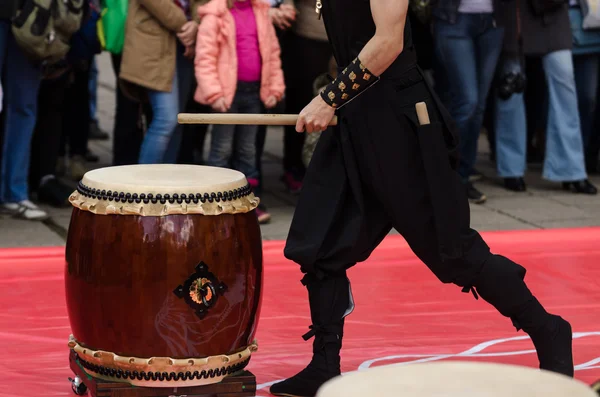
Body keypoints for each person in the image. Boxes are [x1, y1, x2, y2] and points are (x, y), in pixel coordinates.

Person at [268, 0, 574, 396]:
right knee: (319, 243)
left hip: (400, 121)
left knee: (454, 251)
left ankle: (547, 329)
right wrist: (336, 98)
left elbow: (388, 42)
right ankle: (324, 363)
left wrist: (328, 98)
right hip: (356, 118)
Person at [193, 0, 285, 222]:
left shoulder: (261, 12)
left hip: (253, 92)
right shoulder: (214, 15)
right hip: (226, 94)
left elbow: (272, 54)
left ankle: (248, 200)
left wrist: (274, 87)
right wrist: (214, 94)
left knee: (248, 149)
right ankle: (215, 200)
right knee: (222, 148)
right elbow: (204, 58)